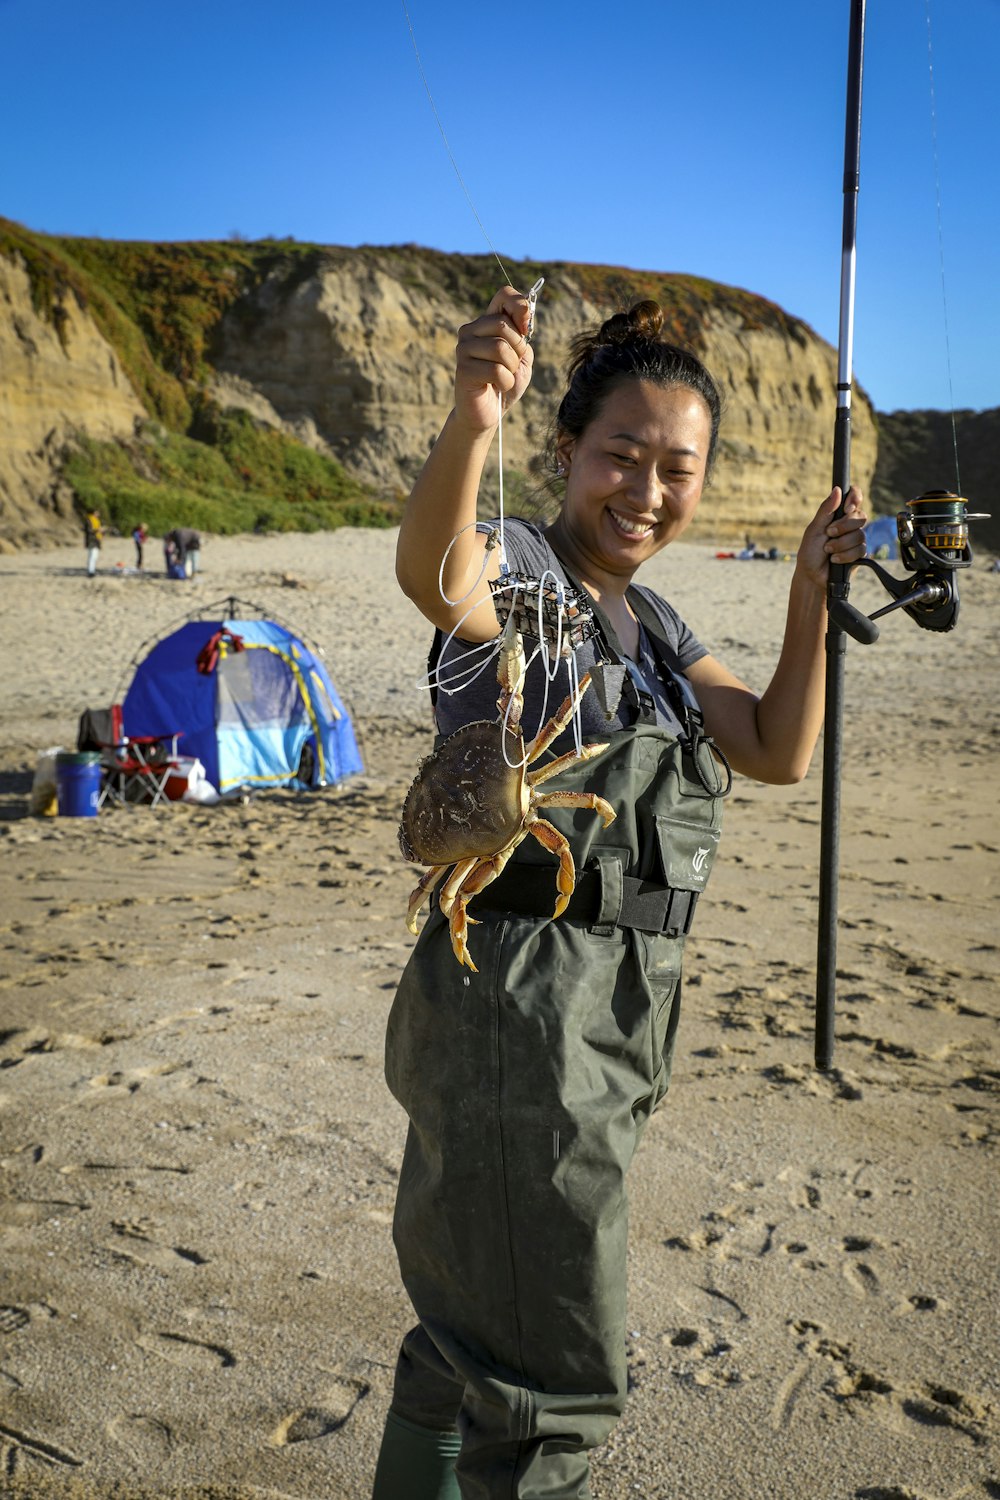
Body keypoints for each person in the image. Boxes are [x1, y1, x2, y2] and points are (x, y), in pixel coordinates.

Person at [374, 286, 867, 1500]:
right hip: (522, 1001)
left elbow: (773, 746)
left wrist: (809, 589)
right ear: (566, 452)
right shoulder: (527, 573)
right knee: (553, 1385)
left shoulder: (650, 619)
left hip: (621, 1012)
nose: (646, 490)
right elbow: (440, 577)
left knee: (473, 1347)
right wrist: (469, 419)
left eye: (676, 468)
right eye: (621, 457)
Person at [83, 507, 102, 577]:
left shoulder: (96, 520)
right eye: (96, 512)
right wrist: (97, 530)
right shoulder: (88, 520)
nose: (98, 514)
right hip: (91, 540)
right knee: (92, 556)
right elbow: (89, 530)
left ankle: (92, 570)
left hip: (96, 540)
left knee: (95, 556)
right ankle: (90, 571)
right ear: (93, 513)